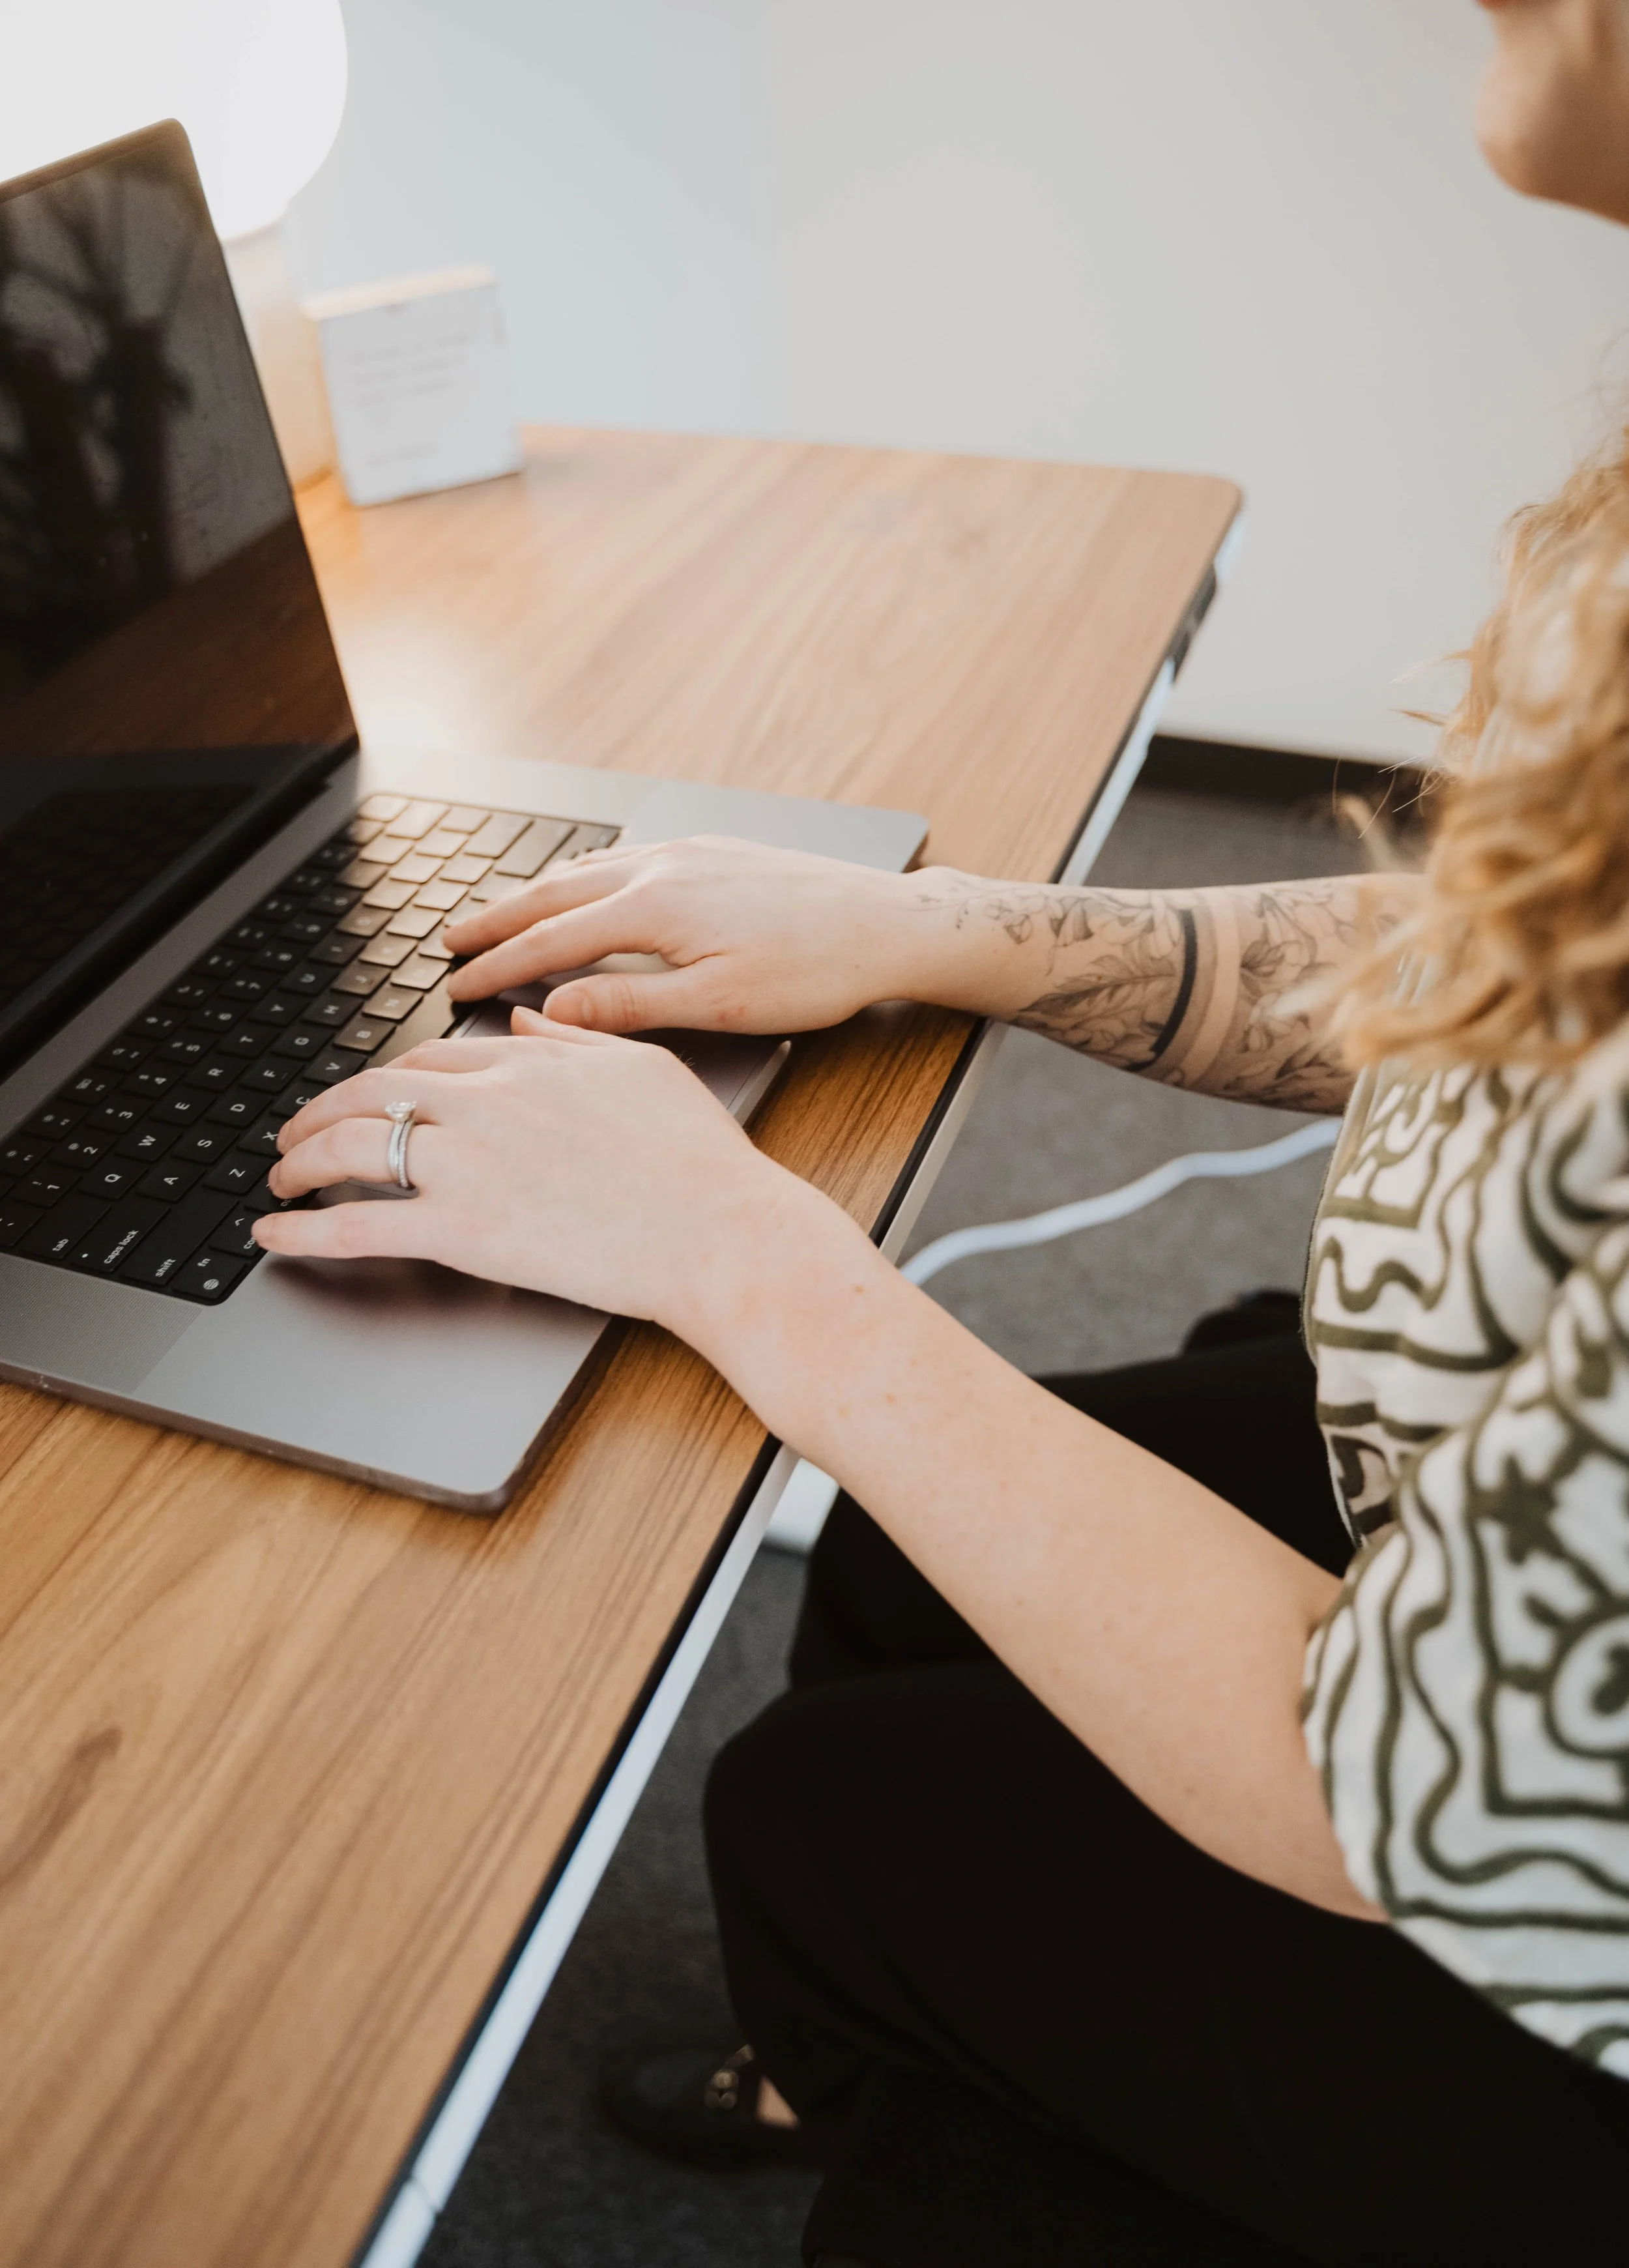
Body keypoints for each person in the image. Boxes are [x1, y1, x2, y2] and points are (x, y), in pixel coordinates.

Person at [255, 5, 1629, 2260]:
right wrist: (943, 930)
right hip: (1475, 1484)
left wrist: (737, 1252)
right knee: (897, 1565)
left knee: (819, 1824)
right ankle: (887, 2034)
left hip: (1527, 1916)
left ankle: (911, 2058)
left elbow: (1399, 1790)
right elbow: (1524, 961)